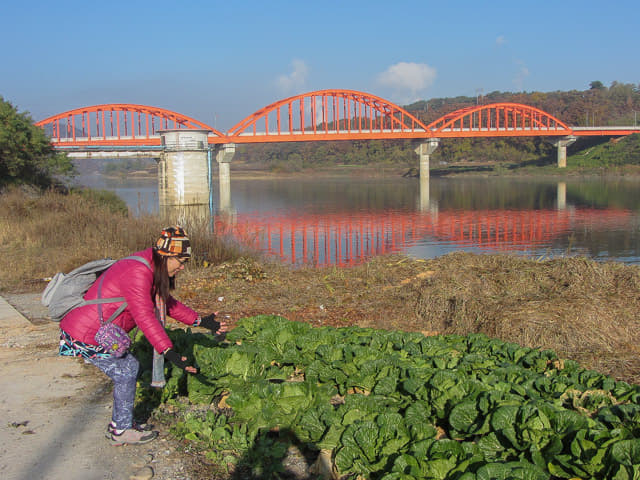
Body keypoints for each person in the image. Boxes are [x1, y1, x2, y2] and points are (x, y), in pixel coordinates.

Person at [58, 226, 227, 445]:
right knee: (126, 369)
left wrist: (200, 321)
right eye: (181, 261)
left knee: (126, 368)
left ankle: (120, 424)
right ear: (166, 255)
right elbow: (145, 316)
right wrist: (169, 351)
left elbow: (165, 303)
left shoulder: (149, 265)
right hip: (85, 332)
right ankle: (121, 430)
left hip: (96, 330)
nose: (182, 267)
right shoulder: (139, 272)